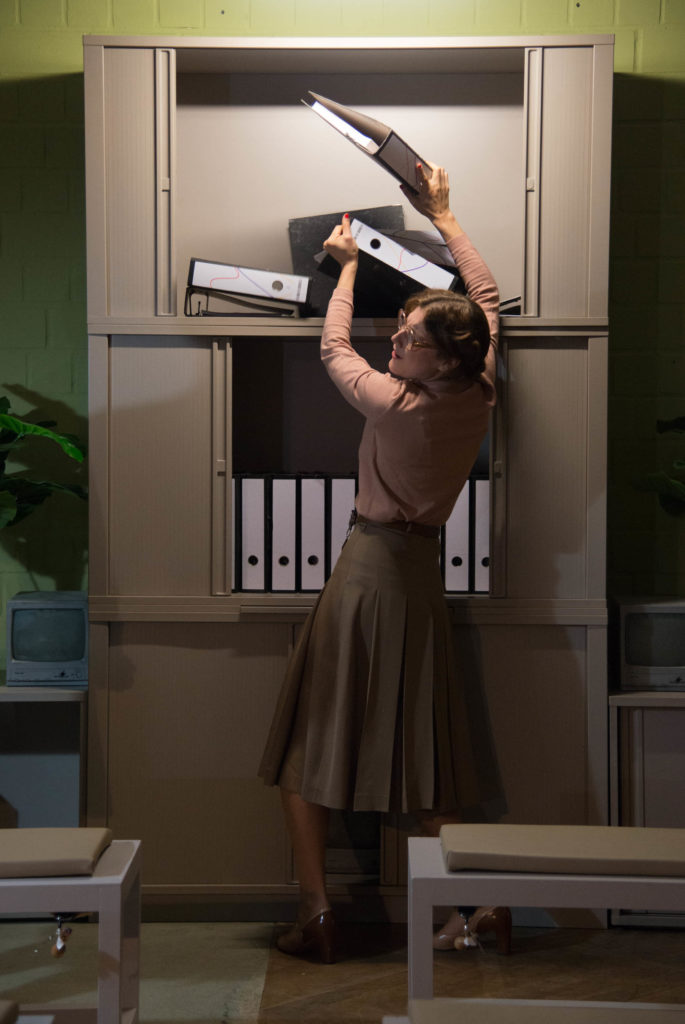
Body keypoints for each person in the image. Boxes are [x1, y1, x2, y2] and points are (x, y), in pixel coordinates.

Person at [258, 162, 507, 962]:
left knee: (307, 749)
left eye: (410, 339)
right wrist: (444, 216)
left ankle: (318, 914)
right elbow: (487, 301)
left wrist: (349, 266)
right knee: (415, 754)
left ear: (441, 360)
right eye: (397, 329)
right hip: (420, 580)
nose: (393, 340)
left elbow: (333, 342)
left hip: (365, 574)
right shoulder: (479, 386)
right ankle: (477, 904)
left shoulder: (393, 403)